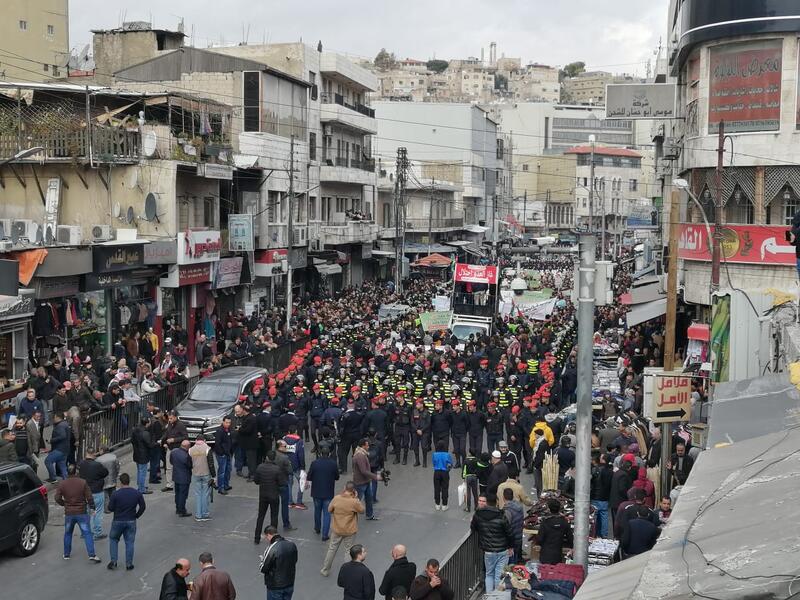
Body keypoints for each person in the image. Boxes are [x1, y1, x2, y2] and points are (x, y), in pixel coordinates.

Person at [54, 464, 102, 563]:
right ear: (76, 472)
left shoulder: (62, 484)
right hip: (81, 512)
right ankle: (91, 554)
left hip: (69, 513)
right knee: (87, 533)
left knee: (68, 533)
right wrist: (92, 507)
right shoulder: (82, 482)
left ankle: (66, 554)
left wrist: (64, 504)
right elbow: (89, 497)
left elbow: (57, 498)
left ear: (67, 472)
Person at [470, 495, 513, 593]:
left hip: (488, 551)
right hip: (502, 550)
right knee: (499, 575)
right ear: (496, 503)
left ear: (487, 503)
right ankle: (498, 596)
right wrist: (511, 547)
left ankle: (489, 596)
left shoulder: (478, 515)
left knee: (489, 574)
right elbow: (509, 533)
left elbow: (473, 527)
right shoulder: (502, 515)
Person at [321, 481, 365, 577]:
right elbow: (362, 510)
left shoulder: (337, 498)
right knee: (348, 551)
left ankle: (325, 569)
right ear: (353, 490)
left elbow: (329, 510)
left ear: (344, 488)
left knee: (332, 548)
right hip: (349, 530)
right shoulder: (354, 501)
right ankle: (348, 572)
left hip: (337, 529)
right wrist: (356, 498)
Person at [106, 472, 146, 571]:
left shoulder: (116, 494)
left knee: (114, 540)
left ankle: (113, 561)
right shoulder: (136, 493)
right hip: (131, 520)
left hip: (118, 520)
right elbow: (143, 506)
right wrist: (137, 515)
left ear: (120, 482)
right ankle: (129, 564)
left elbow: (110, 508)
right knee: (129, 542)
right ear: (129, 481)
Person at [307, 446, 340, 540]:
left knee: (317, 511)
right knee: (327, 513)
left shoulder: (314, 463)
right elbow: (337, 477)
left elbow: (309, 477)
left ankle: (317, 528)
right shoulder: (333, 464)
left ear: (320, 453)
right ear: (329, 454)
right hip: (328, 492)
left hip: (316, 491)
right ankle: (325, 535)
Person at [77, 448, 110, 540]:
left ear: (86, 453)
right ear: (94, 454)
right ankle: (97, 533)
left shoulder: (81, 464)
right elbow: (105, 473)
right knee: (97, 513)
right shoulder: (97, 465)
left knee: (86, 513)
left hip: (85, 492)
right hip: (97, 492)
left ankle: (85, 532)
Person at [254, 451, 286, 543]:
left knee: (261, 516)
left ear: (266, 457)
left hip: (263, 495)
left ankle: (257, 537)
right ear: (274, 458)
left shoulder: (260, 467)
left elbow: (256, 481)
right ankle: (273, 538)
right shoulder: (277, 469)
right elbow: (282, 483)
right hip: (274, 495)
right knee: (274, 516)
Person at [261, 526, 298, 600]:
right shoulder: (291, 544)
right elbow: (295, 560)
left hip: (275, 586)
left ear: (268, 535)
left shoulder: (272, 548)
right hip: (289, 583)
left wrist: (262, 560)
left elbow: (263, 568)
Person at [535, 498, 573, 565]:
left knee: (545, 572)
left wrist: (538, 543)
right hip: (557, 554)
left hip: (545, 554)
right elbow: (570, 537)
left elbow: (540, 539)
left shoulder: (545, 522)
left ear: (549, 509)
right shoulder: (564, 522)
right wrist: (571, 547)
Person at [188, 435, 216, 522]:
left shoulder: (190, 450)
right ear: (204, 440)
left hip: (195, 474)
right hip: (206, 474)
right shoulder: (207, 448)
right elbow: (211, 463)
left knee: (198, 494)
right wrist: (214, 476)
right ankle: (205, 514)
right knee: (205, 494)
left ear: (196, 440)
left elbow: (189, 463)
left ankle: (198, 515)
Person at [352, 437, 380, 521]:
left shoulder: (362, 453)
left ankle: (369, 514)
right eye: (367, 445)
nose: (368, 447)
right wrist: (375, 476)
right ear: (363, 446)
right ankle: (351, 516)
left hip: (366, 481)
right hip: (360, 482)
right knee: (357, 501)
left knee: (369, 498)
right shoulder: (360, 456)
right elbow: (363, 471)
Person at [590, 453, 613, 538]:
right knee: (604, 516)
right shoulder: (611, 472)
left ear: (602, 460)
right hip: (605, 497)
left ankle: (594, 533)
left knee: (594, 516)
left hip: (595, 496)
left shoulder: (595, 470)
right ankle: (604, 534)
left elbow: (592, 482)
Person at [131, 418, 156, 495]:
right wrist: (155, 441)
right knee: (142, 472)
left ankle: (140, 486)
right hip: (143, 455)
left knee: (139, 471)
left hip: (137, 453)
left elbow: (132, 441)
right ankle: (142, 489)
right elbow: (150, 445)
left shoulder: (135, 430)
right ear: (147, 423)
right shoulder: (145, 433)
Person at [45, 412, 70, 482]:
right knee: (62, 464)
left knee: (48, 461)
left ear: (57, 417)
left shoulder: (60, 426)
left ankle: (53, 478)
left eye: (54, 417)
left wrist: (51, 440)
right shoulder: (65, 424)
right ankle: (66, 479)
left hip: (59, 449)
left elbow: (62, 436)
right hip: (65, 449)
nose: (53, 419)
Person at [170, 439, 192, 517]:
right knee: (183, 495)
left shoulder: (174, 452)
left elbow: (171, 462)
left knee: (177, 493)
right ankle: (182, 510)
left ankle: (178, 508)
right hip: (185, 477)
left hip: (176, 476)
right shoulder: (186, 456)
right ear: (187, 447)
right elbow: (190, 466)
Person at [502, 488, 524, 564]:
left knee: (510, 564)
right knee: (515, 560)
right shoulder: (519, 507)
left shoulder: (507, 511)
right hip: (519, 537)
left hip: (511, 541)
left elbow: (506, 528)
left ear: (503, 497)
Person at [213, 416, 234, 494]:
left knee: (228, 470)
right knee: (222, 471)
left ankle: (226, 485)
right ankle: (221, 488)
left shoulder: (228, 429)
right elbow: (217, 444)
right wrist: (221, 453)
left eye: (229, 423)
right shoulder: (220, 431)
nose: (228, 424)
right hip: (222, 454)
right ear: (223, 422)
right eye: (226, 422)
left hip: (228, 453)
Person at [431, 441, 453, 511]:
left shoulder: (434, 454)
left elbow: (434, 463)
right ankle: (444, 505)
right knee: (445, 488)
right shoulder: (447, 455)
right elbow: (450, 464)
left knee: (437, 488)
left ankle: (437, 504)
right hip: (444, 472)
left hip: (437, 472)